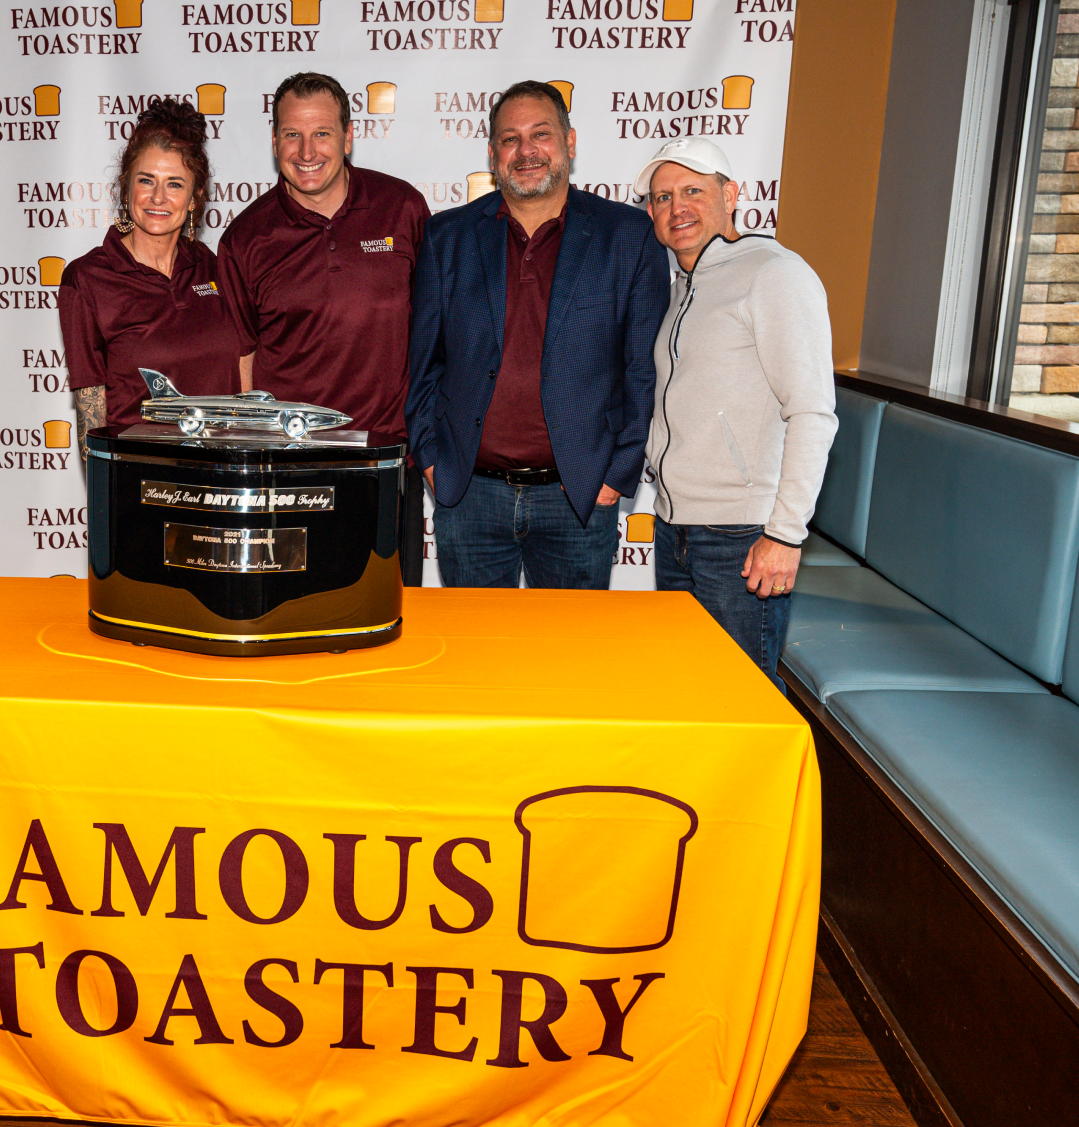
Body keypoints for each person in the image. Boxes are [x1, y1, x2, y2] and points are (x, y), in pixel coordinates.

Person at [405, 81, 668, 589]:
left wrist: (617, 474)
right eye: (510, 139)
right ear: (492, 154)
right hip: (469, 495)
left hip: (579, 496)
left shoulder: (628, 235)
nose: (526, 151)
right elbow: (422, 364)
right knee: (478, 639)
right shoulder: (447, 236)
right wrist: (431, 459)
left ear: (570, 142)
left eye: (541, 134)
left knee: (570, 642)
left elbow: (642, 371)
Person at [636, 138, 836, 688]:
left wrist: (785, 535)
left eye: (693, 191)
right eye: (662, 197)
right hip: (675, 529)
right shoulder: (680, 288)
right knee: (692, 693)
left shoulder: (774, 273)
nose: (677, 208)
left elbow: (813, 412)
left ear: (731, 196)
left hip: (741, 538)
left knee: (744, 698)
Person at [218, 71, 431, 585]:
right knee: (293, 612)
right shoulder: (245, 238)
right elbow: (242, 360)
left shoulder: (402, 208)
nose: (307, 151)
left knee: (391, 615)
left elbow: (435, 332)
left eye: (322, 133)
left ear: (349, 136)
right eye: (292, 134)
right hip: (290, 471)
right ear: (274, 141)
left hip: (387, 464)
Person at [61, 99, 241, 450]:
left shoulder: (212, 266)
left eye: (175, 184)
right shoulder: (88, 279)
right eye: (146, 180)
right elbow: (91, 424)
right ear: (127, 187)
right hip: (141, 475)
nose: (158, 197)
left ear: (194, 198)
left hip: (223, 472)